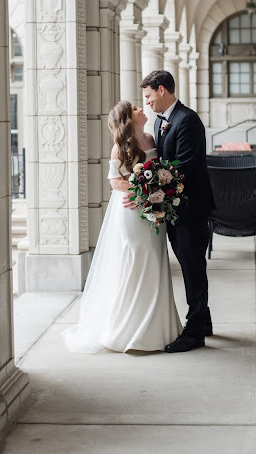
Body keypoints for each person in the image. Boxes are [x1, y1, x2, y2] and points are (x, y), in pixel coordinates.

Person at [63, 100, 181, 353]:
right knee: (136, 261)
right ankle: (125, 330)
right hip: (131, 210)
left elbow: (159, 170)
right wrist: (145, 190)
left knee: (155, 260)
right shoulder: (121, 148)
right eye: (136, 107)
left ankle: (157, 329)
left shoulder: (150, 138)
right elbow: (115, 182)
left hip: (153, 208)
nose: (141, 108)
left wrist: (156, 191)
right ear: (129, 118)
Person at [138, 70, 214, 353]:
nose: (147, 102)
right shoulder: (162, 122)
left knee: (193, 268)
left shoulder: (187, 120)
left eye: (148, 96)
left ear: (161, 90)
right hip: (175, 209)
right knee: (188, 265)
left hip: (191, 209)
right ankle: (203, 321)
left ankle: (194, 333)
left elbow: (185, 164)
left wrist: (147, 183)